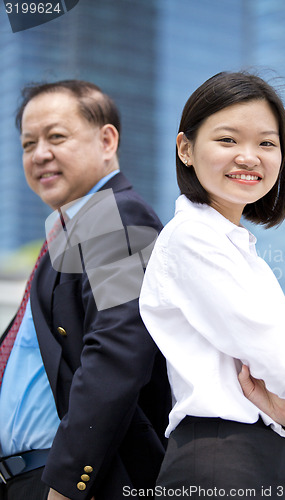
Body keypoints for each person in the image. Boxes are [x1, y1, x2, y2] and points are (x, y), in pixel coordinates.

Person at [139, 71, 285, 499]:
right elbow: (279, 356)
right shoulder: (190, 239)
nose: (249, 156)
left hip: (255, 458)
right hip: (217, 461)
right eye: (228, 140)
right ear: (185, 149)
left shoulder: (241, 250)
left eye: (266, 143)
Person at [0, 80, 171, 500]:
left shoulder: (114, 214)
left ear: (107, 139)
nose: (39, 154)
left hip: (74, 484)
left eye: (56, 137)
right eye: (27, 144)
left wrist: (66, 483)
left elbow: (116, 353)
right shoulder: (67, 231)